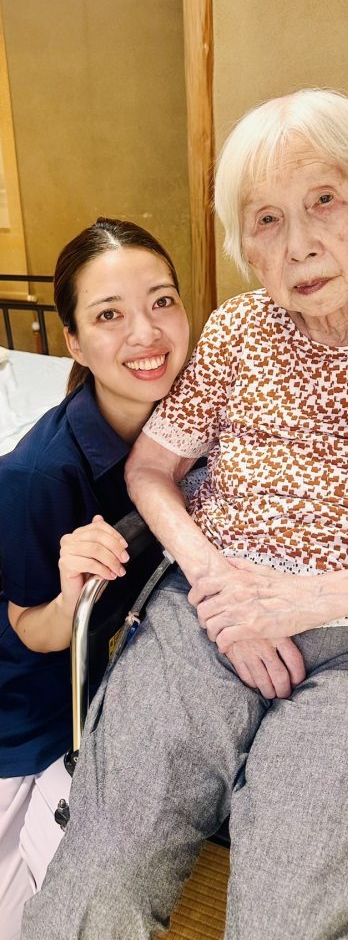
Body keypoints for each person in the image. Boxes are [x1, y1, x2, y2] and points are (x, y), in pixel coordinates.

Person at [22, 91, 348, 940]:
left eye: (324, 200)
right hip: (211, 615)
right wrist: (218, 586)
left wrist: (301, 602)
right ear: (245, 245)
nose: (298, 244)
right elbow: (151, 468)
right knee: (100, 867)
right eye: (266, 220)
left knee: (289, 916)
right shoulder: (238, 330)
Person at [0, 217, 189, 940]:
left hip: (96, 685)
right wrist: (72, 595)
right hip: (25, 707)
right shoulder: (39, 476)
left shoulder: (191, 420)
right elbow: (31, 630)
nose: (146, 333)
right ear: (74, 342)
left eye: (162, 301)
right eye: (110, 315)